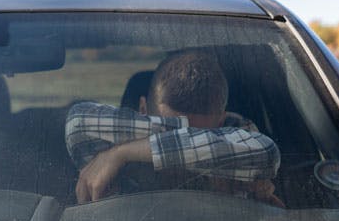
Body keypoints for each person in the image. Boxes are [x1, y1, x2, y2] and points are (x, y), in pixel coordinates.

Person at [65, 49, 282, 205]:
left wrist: (122, 153)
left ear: (221, 121)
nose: (188, 138)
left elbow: (266, 151)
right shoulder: (233, 148)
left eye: (198, 135)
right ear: (142, 109)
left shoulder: (238, 132)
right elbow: (78, 121)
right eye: (165, 125)